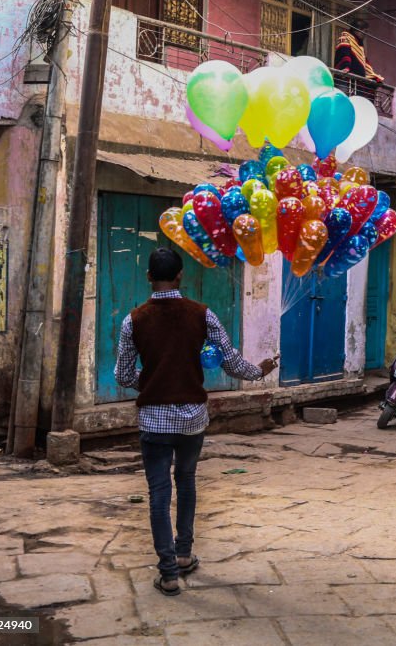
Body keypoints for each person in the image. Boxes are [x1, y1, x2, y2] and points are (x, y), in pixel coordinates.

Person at [115, 248, 277, 597]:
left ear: (148, 278)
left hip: (155, 421)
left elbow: (124, 375)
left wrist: (153, 376)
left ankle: (169, 573)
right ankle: (185, 553)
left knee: (159, 494)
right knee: (186, 480)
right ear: (180, 276)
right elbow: (230, 360)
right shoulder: (203, 315)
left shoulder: (133, 320)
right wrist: (259, 371)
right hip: (192, 420)